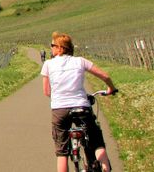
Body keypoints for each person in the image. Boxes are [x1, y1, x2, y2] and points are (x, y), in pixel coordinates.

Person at [41, 32, 117, 172]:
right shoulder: (80, 61)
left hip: (59, 109)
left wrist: (59, 95)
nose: (51, 48)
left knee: (62, 153)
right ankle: (105, 168)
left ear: (60, 48)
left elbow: (46, 92)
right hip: (82, 106)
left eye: (52, 45)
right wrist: (110, 88)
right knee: (96, 142)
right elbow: (105, 76)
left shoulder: (48, 64)